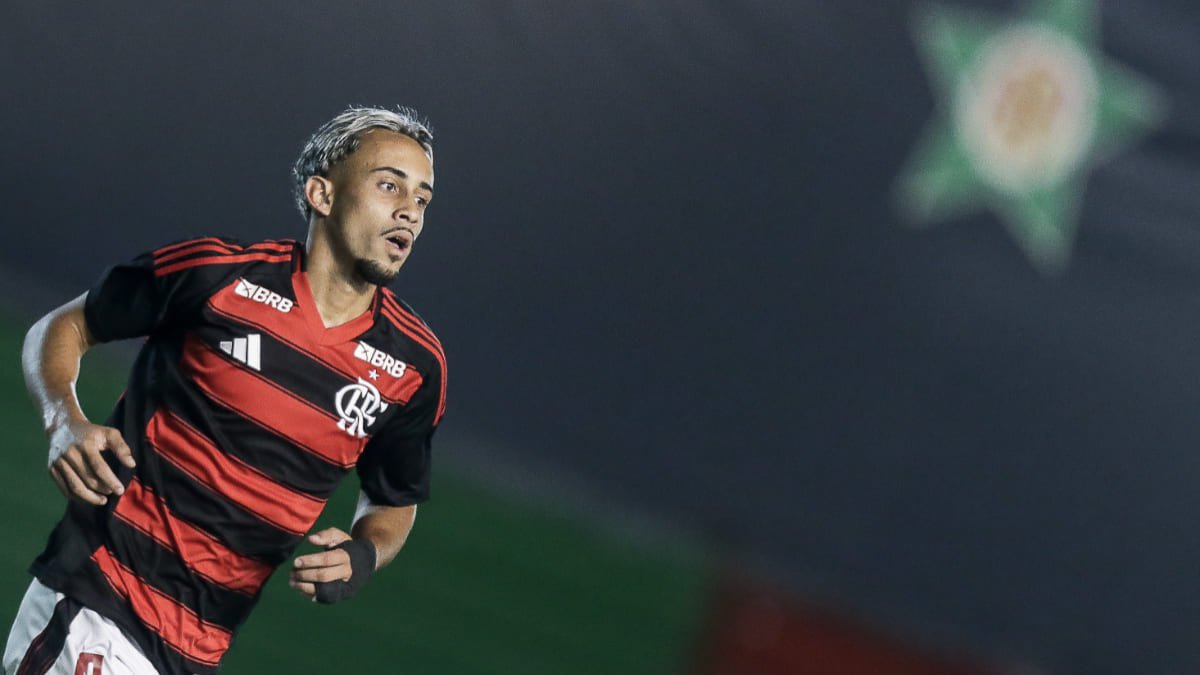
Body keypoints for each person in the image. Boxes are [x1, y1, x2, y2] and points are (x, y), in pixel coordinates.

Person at [3, 106, 447, 674]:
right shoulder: (218, 275)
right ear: (322, 194)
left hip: (197, 651)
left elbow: (393, 498)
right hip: (95, 604)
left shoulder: (414, 364)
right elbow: (64, 327)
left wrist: (364, 554)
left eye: (423, 199)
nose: (410, 210)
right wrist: (63, 420)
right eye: (390, 185)